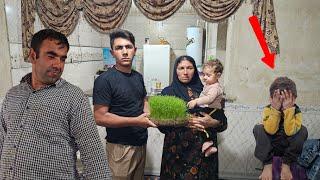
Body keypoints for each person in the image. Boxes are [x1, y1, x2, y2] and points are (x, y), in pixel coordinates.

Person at [0, 29, 111, 179]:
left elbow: (95, 158)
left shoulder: (73, 97)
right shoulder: (13, 95)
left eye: (62, 59)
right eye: (51, 56)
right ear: (33, 56)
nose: (58, 65)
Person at [93, 29, 156, 180]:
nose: (125, 52)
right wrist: (136, 121)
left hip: (141, 143)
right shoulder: (104, 80)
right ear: (112, 52)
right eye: (119, 48)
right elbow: (99, 117)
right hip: (120, 148)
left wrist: (149, 114)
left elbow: (144, 100)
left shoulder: (138, 77)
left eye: (128, 47)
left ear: (135, 50)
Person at [159, 55, 228, 179]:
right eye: (181, 68)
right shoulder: (167, 93)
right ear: (176, 70)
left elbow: (223, 122)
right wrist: (183, 121)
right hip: (177, 155)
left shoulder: (208, 91)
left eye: (189, 68)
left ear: (195, 70)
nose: (185, 72)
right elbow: (161, 125)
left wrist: (212, 122)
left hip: (203, 156)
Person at [253, 77, 308, 180]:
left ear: (294, 99)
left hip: (288, 147)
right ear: (271, 98)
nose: (282, 104)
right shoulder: (268, 109)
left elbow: (290, 131)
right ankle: (267, 165)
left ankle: (286, 165)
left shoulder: (296, 111)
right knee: (258, 128)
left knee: (303, 130)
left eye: (286, 100)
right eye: (279, 100)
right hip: (272, 146)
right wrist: (275, 109)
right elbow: (270, 130)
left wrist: (288, 110)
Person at [187, 59, 224, 157]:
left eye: (208, 75)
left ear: (218, 76)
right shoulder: (209, 85)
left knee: (206, 125)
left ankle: (209, 143)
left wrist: (196, 101)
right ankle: (208, 145)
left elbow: (209, 98)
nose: (204, 77)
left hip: (214, 111)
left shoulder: (215, 87)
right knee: (203, 126)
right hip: (210, 109)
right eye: (204, 74)